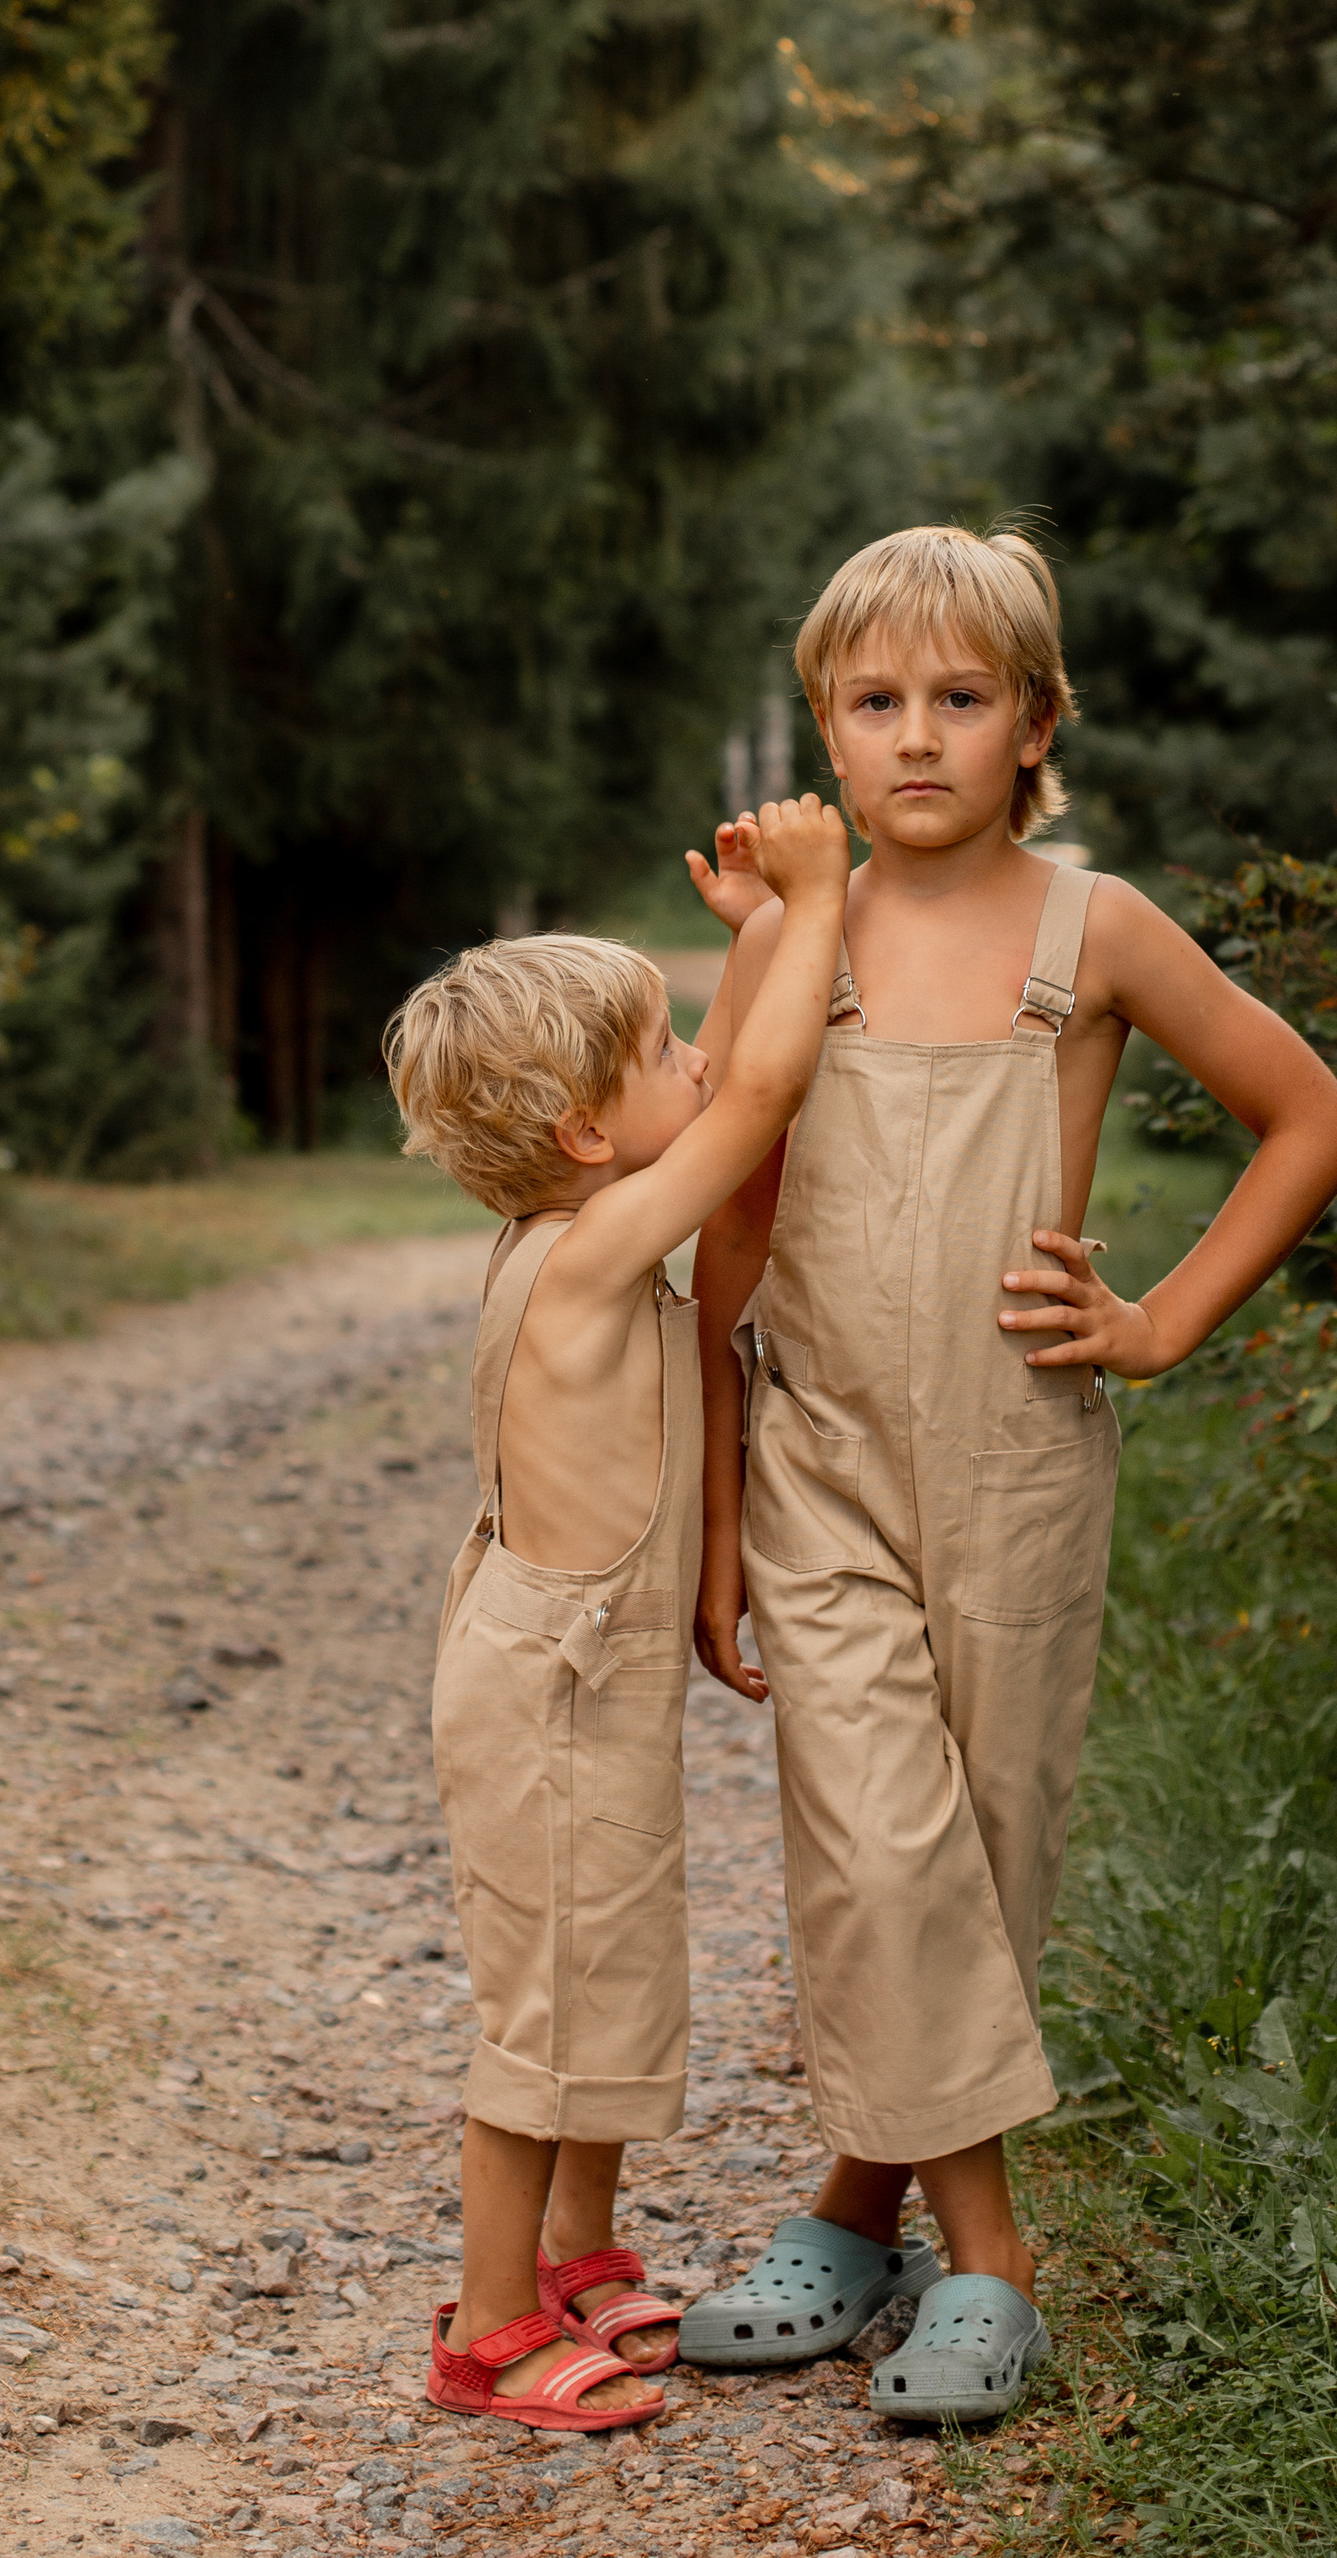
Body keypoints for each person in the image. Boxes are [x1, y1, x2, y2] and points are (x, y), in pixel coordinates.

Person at [675, 524, 1337, 2422]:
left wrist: (1157, 1325)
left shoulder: (1097, 932)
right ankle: (994, 2265)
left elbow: (1312, 1115)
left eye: (960, 701)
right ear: (823, 722)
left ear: (1036, 722)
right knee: (878, 1844)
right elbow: (727, 1241)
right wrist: (718, 1518)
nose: (916, 739)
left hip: (1021, 1466)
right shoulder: (785, 946)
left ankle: (849, 2208)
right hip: (817, 1452)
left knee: (983, 1855)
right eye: (875, 702)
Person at [384, 796, 856, 2434]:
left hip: (590, 1672)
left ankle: (577, 2253)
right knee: (549, 2010)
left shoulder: (581, 1213)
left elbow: (715, 1087)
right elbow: (767, 1099)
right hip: (549, 1686)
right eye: (659, 1048)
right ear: (591, 1131)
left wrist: (749, 945)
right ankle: (491, 2330)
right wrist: (813, 898)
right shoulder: (590, 1255)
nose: (696, 1064)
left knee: (616, 1973)